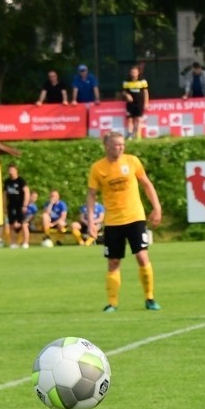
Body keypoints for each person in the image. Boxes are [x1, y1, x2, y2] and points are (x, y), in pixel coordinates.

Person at [86, 131, 163, 311]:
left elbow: (146, 184)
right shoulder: (98, 168)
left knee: (142, 257)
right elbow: (91, 195)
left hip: (135, 217)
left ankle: (149, 298)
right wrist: (91, 222)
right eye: (116, 145)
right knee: (113, 262)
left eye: (122, 144)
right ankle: (112, 303)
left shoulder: (132, 161)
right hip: (112, 222)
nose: (120, 148)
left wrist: (157, 207)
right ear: (106, 147)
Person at [2, 162, 32, 249]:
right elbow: (4, 194)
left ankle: (25, 243)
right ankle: (13, 243)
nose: (10, 171)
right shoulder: (7, 182)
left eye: (12, 170)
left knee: (23, 224)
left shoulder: (21, 181)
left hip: (20, 206)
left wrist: (25, 205)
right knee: (11, 225)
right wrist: (4, 206)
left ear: (16, 171)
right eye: (9, 170)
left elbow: (27, 192)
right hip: (11, 206)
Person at [122, 66, 149, 139]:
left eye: (135, 72)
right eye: (132, 72)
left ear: (138, 73)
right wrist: (127, 95)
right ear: (130, 73)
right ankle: (130, 135)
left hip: (139, 103)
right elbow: (123, 91)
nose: (134, 74)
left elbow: (146, 92)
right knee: (130, 119)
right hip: (130, 104)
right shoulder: (126, 81)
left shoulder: (143, 81)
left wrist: (146, 103)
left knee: (138, 119)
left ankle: (137, 136)